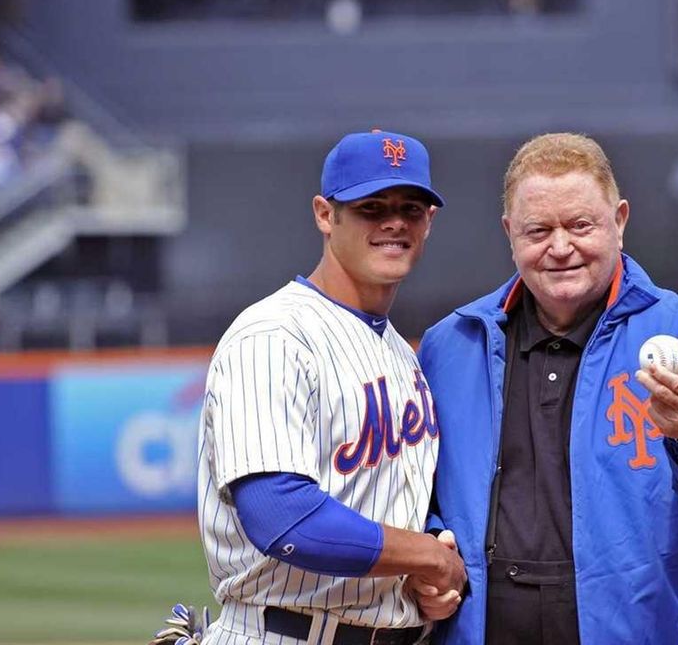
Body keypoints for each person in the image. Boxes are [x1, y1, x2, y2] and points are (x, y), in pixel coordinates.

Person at [414, 133, 678, 644]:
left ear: (620, 221)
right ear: (509, 233)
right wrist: (433, 549)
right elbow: (412, 491)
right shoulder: (452, 346)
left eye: (580, 225)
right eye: (538, 230)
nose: (561, 247)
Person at [166, 130, 467, 645]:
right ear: (326, 215)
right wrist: (426, 556)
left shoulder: (401, 353)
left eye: (411, 208)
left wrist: (427, 570)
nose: (395, 221)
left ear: (429, 222)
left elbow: (395, 501)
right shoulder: (274, 335)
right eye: (372, 206)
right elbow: (284, 518)